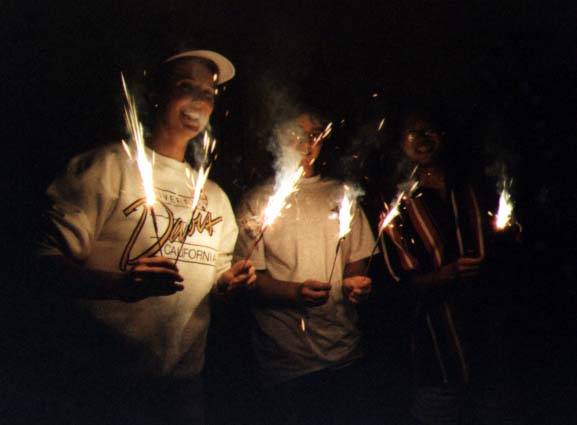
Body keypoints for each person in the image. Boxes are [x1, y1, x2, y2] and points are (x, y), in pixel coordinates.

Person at [34, 49, 256, 425]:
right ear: (157, 93)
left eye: (209, 93)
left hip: (183, 385)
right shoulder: (103, 168)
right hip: (102, 385)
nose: (199, 100)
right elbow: (41, 264)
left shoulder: (215, 196)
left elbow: (218, 274)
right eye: (186, 86)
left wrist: (230, 282)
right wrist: (123, 285)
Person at [380, 109, 522, 425]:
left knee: (496, 409)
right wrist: (442, 276)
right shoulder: (397, 203)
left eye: (428, 130)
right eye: (412, 133)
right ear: (400, 143)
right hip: (437, 340)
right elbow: (399, 282)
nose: (422, 139)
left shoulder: (472, 185)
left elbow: (508, 249)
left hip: (489, 332)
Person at [234, 110, 376, 425]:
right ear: (276, 139)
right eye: (297, 132)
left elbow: (356, 259)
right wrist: (296, 292)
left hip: (344, 351)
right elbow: (249, 280)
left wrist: (355, 283)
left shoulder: (341, 194)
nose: (309, 141)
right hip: (286, 362)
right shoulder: (258, 201)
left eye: (315, 133)